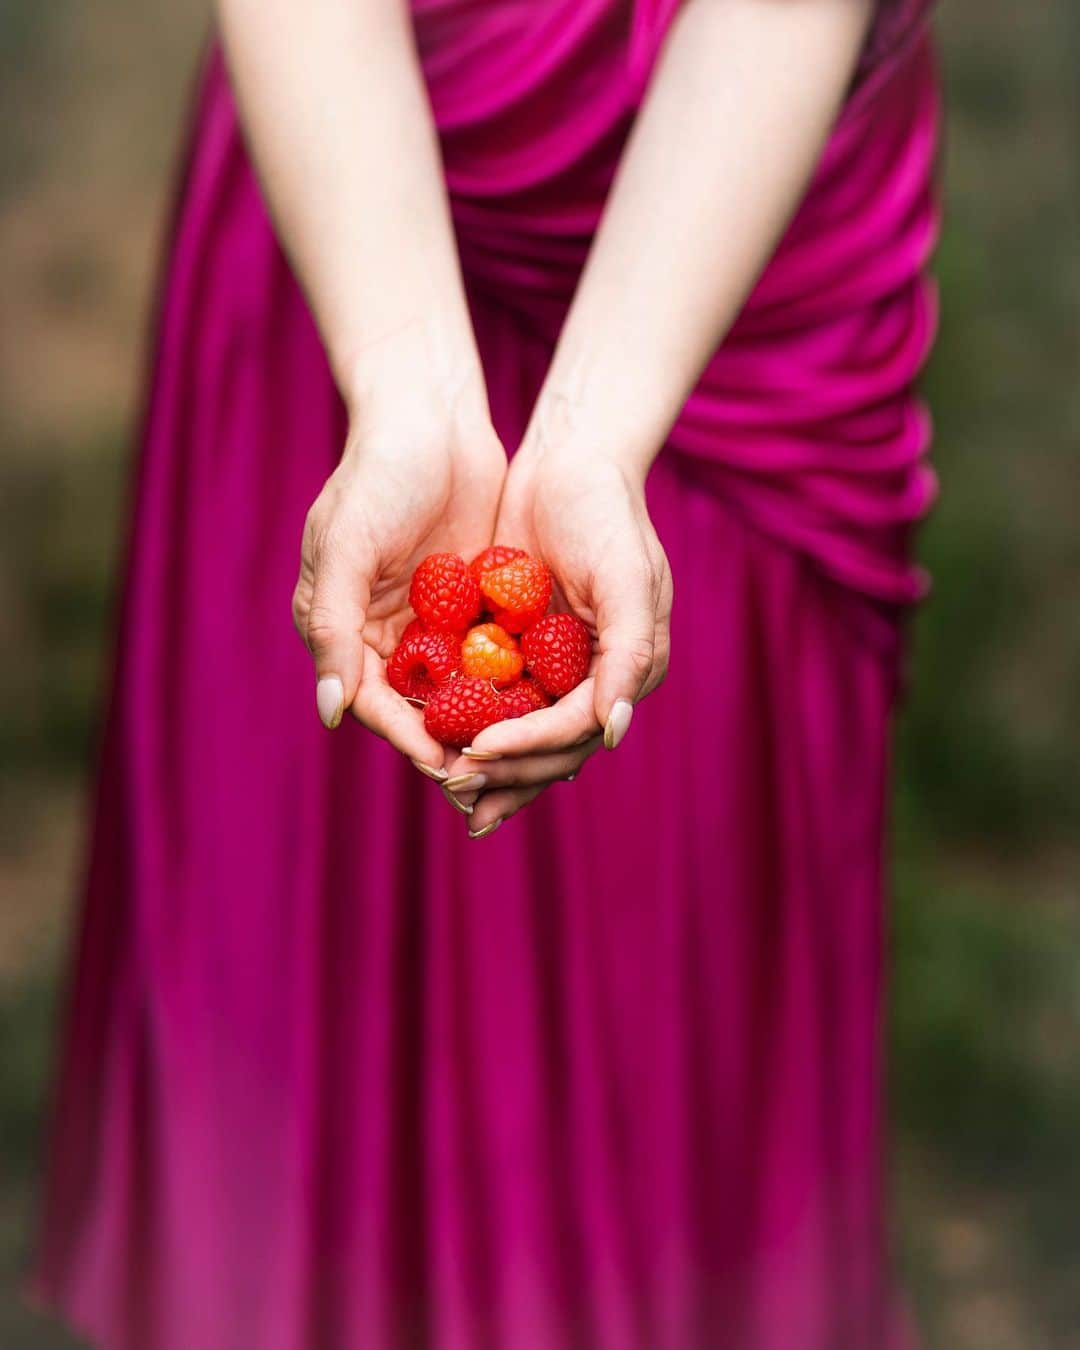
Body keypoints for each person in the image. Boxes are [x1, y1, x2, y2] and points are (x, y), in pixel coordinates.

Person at [35, 0, 939, 1345]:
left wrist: (598, 430)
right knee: (295, 972)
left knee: (674, 1016)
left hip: (724, 232)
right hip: (351, 190)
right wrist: (401, 378)